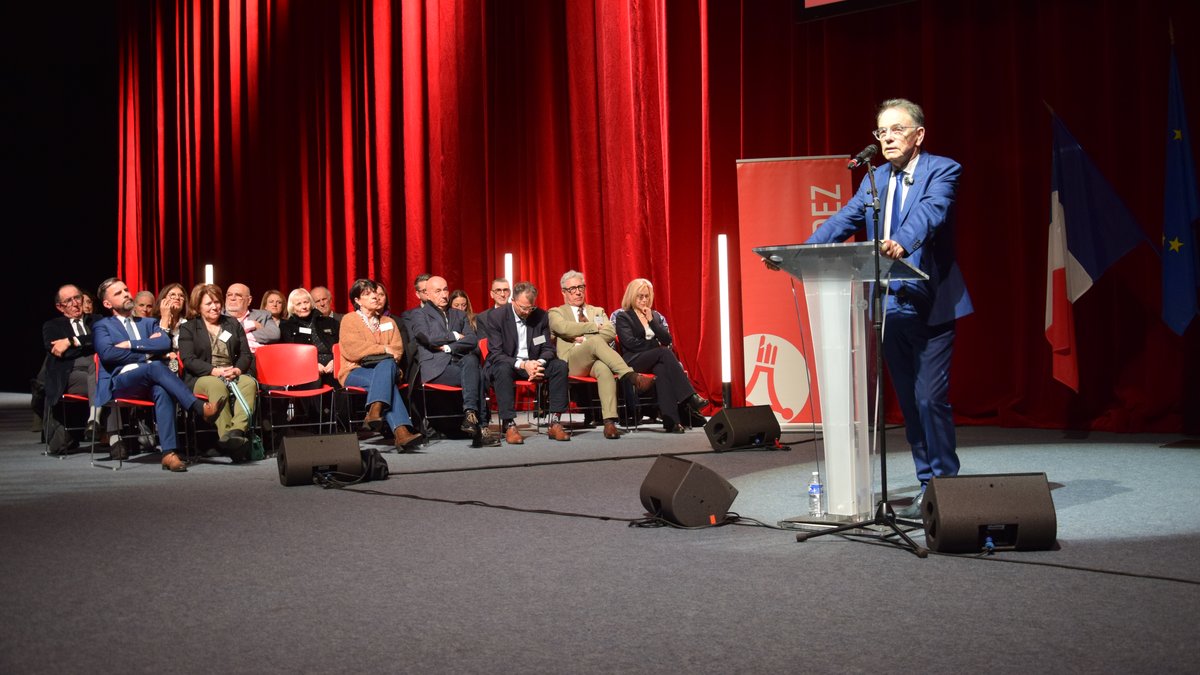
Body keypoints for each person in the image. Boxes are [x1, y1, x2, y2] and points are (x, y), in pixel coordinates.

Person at [803, 98, 973, 518]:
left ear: (919, 135)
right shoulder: (874, 178)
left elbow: (931, 213)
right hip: (890, 305)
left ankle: (946, 487)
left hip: (932, 303)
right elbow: (844, 220)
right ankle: (925, 483)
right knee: (911, 404)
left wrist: (902, 242)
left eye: (897, 129)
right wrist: (802, 251)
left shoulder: (942, 169)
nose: (888, 138)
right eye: (882, 132)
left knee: (930, 399)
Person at [93, 277, 222, 471]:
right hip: (120, 381)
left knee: (162, 389)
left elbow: (163, 343)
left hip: (149, 380)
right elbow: (108, 354)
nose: (126, 294)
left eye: (126, 290)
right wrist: (147, 352)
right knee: (155, 366)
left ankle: (169, 454)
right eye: (118, 293)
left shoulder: (148, 322)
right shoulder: (103, 325)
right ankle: (199, 407)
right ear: (107, 304)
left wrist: (130, 344)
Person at [548, 270, 652, 440]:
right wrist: (593, 328)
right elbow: (563, 328)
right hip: (572, 360)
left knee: (604, 368)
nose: (578, 292)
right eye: (572, 289)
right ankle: (631, 376)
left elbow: (610, 331)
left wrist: (584, 338)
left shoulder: (597, 311)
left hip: (595, 360)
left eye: (581, 287)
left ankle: (609, 422)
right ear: (564, 292)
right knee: (596, 341)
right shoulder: (556, 312)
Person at [409, 277, 498, 447]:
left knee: (472, 360)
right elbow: (428, 338)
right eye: (438, 291)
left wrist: (449, 347)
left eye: (445, 290)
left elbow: (472, 340)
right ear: (427, 294)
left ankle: (470, 414)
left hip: (459, 362)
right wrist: (455, 336)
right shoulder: (419, 314)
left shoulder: (459, 314)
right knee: (478, 374)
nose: (444, 295)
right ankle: (481, 426)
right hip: (435, 367)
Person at [613, 279, 708, 433]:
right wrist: (655, 345)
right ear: (632, 296)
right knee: (663, 352)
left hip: (655, 359)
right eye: (640, 296)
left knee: (662, 370)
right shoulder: (624, 317)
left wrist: (651, 321)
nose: (644, 300)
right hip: (633, 360)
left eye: (647, 296)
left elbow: (667, 340)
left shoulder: (655, 316)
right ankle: (690, 397)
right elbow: (630, 343)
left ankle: (671, 421)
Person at [337, 278, 423, 450]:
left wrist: (377, 351)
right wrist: (383, 348)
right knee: (387, 380)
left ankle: (374, 410)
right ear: (357, 300)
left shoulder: (389, 322)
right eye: (367, 294)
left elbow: (397, 351)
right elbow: (352, 350)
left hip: (389, 369)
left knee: (387, 365)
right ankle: (401, 432)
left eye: (375, 293)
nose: (375, 297)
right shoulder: (349, 320)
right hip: (355, 371)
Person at [481, 281, 571, 444]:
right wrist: (523, 365)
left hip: (534, 363)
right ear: (513, 301)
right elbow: (496, 354)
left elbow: (547, 348)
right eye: (523, 308)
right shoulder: (496, 317)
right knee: (501, 369)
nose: (527, 312)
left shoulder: (540, 316)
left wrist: (538, 363)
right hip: (509, 363)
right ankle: (509, 424)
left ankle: (555, 421)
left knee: (560, 366)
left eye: (531, 308)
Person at [178, 284, 259, 460]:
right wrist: (214, 371)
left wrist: (237, 370)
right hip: (203, 376)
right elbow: (188, 359)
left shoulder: (232, 323)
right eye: (208, 303)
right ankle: (228, 437)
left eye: (217, 302)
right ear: (198, 306)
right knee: (216, 385)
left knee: (248, 382)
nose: (214, 307)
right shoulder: (189, 328)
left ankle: (236, 432)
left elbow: (246, 354)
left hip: (232, 372)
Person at [40, 284, 102, 454]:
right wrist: (90, 344)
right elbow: (59, 352)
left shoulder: (97, 320)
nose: (75, 303)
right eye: (69, 300)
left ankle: (96, 422)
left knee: (97, 367)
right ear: (60, 307)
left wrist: (70, 342)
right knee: (103, 378)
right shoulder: (52, 326)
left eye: (77, 298)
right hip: (70, 374)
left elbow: (104, 340)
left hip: (97, 371)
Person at [280, 287, 340, 387]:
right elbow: (290, 354)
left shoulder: (330, 322)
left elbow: (342, 346)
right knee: (313, 380)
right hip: (304, 367)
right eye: (299, 304)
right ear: (292, 307)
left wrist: (336, 361)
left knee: (342, 378)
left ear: (311, 303)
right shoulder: (286, 327)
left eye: (306, 302)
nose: (304, 306)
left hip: (332, 364)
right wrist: (312, 365)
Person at [225, 283, 280, 352]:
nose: (232, 298)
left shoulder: (263, 315)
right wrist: (251, 325)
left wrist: (245, 336)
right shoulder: (219, 316)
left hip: (256, 356)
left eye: (238, 295)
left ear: (249, 300)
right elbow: (220, 338)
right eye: (229, 295)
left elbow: (274, 334)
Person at [153, 282, 188, 350]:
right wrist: (165, 318)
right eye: (172, 294)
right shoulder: (153, 322)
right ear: (163, 299)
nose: (177, 298)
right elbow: (157, 346)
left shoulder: (189, 323)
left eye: (181, 295)